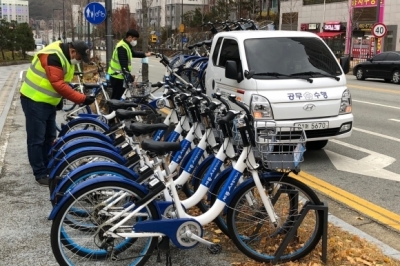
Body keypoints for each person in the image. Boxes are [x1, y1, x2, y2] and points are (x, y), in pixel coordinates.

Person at [20, 40, 96, 186]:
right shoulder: (53, 56)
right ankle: (40, 173)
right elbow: (58, 84)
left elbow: (62, 80)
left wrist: (61, 97)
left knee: (49, 137)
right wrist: (82, 98)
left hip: (47, 102)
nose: (78, 61)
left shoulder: (65, 56)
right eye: (79, 57)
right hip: (34, 100)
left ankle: (49, 166)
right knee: (36, 139)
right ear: (73, 51)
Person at [107, 29, 152, 100]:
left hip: (120, 76)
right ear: (130, 37)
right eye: (135, 39)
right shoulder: (122, 48)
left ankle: (115, 110)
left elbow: (133, 53)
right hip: (117, 77)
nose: (135, 41)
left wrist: (145, 54)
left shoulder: (126, 45)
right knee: (116, 99)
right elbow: (124, 67)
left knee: (118, 98)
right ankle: (112, 111)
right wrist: (131, 79)